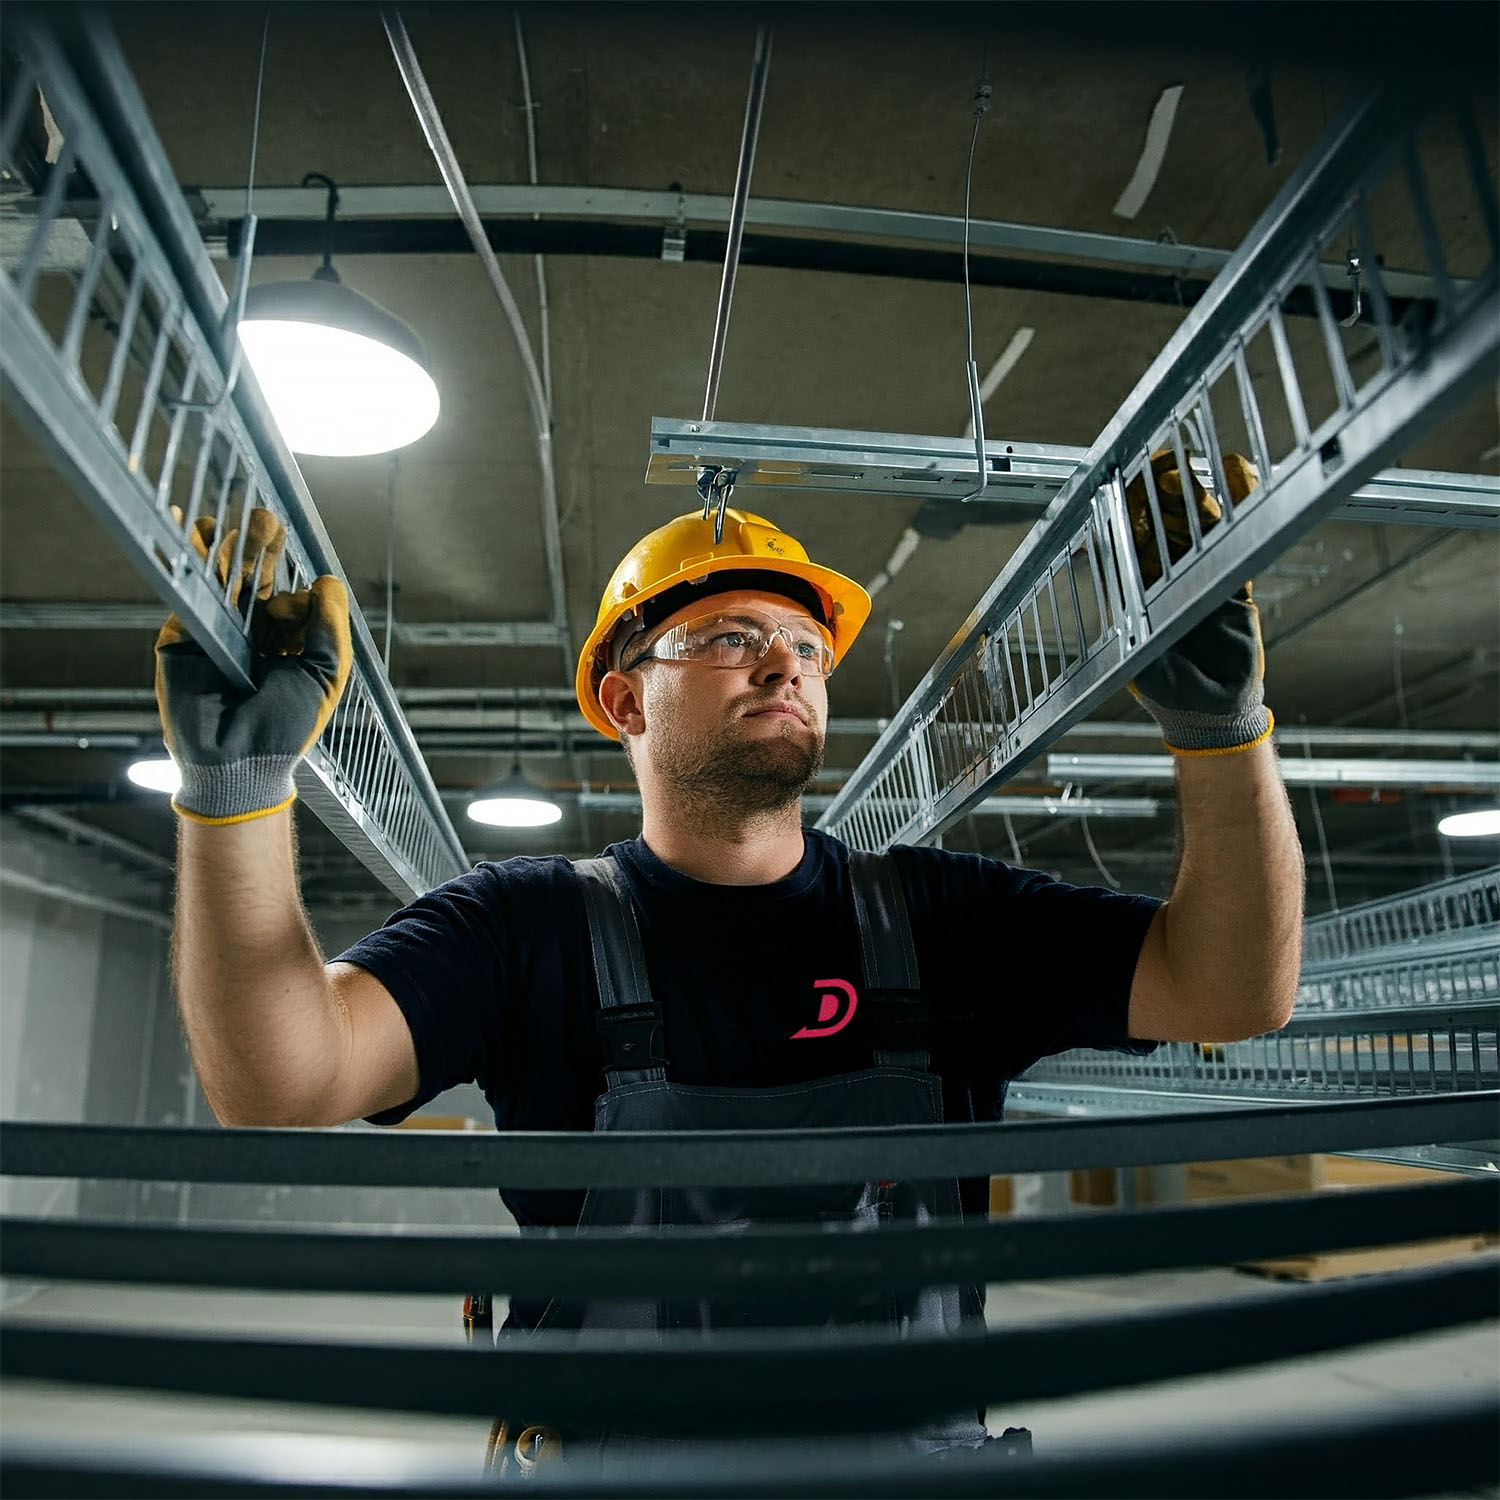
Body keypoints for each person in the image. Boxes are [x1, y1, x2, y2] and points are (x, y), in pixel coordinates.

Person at [158, 455, 1304, 1468]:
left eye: (805, 646)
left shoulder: (947, 919)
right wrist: (235, 799)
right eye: (729, 639)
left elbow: (1232, 990)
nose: (784, 666)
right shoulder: (525, 929)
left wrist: (1223, 731)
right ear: (625, 699)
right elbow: (282, 1080)